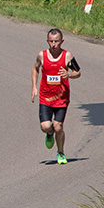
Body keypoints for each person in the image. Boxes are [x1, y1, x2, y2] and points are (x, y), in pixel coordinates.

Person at [31, 28, 81, 164]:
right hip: (45, 98)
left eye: (56, 41)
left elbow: (78, 72)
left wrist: (69, 74)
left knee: (58, 126)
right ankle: (49, 133)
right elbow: (35, 68)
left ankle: (60, 153)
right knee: (46, 126)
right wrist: (34, 87)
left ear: (62, 41)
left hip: (61, 98)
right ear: (47, 41)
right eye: (51, 41)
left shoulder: (67, 56)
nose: (53, 44)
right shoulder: (42, 55)